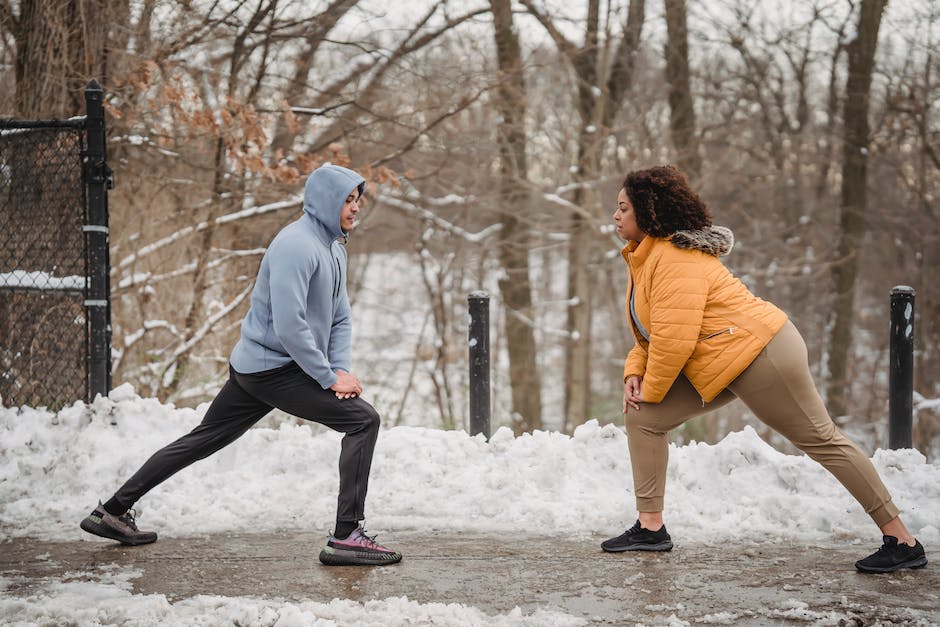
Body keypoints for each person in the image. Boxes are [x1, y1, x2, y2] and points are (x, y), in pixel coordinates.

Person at [602, 164, 927, 573]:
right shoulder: (644, 259)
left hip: (763, 353)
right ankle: (651, 529)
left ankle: (902, 539)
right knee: (646, 418)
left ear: (647, 213)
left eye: (623, 208)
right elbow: (649, 334)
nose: (615, 216)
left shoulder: (673, 259)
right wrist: (635, 374)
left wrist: (651, 384)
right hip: (721, 359)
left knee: (821, 440)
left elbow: (674, 341)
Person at [80, 164, 402, 567]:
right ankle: (346, 536)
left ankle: (111, 511)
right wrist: (327, 375)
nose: (355, 208)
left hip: (267, 368)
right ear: (326, 200)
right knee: (362, 421)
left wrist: (338, 370)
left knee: (203, 439)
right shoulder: (295, 246)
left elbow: (340, 317)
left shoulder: (334, 249)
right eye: (347, 200)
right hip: (272, 369)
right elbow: (289, 326)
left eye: (357, 200)